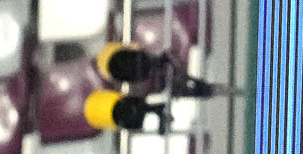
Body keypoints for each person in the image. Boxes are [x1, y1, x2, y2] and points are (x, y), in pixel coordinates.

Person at [83, 40, 221, 133]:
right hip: (157, 80)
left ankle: (204, 89)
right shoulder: (143, 88)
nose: (129, 64)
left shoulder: (142, 85)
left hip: (159, 78)